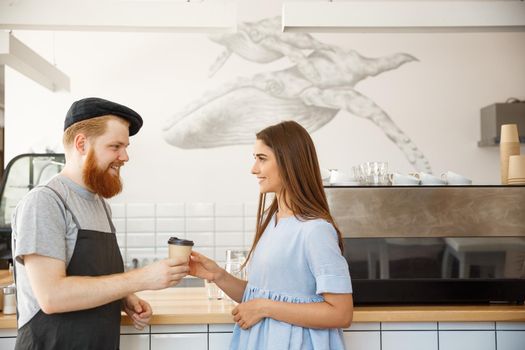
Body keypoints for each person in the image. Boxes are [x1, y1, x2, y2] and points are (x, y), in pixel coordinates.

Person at [11, 97, 189, 350]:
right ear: (81, 143)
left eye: (125, 147)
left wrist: (124, 298)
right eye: (115, 146)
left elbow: (93, 278)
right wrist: (140, 279)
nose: (125, 156)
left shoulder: (100, 205)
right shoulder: (45, 202)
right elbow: (52, 296)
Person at [190, 120, 353, 349]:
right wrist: (218, 275)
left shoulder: (316, 230)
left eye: (262, 159)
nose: (253, 169)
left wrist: (264, 308)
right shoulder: (272, 221)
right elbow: (260, 294)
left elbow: (341, 313)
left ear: (289, 163)